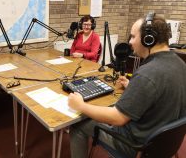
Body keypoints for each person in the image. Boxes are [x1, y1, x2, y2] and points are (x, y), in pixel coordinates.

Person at [68, 14, 186, 158]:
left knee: (77, 125)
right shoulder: (180, 63)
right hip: (165, 142)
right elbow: (162, 92)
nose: (130, 42)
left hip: (136, 145)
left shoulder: (146, 74)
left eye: (133, 37)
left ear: (148, 39)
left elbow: (118, 118)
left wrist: (80, 106)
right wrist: (133, 86)